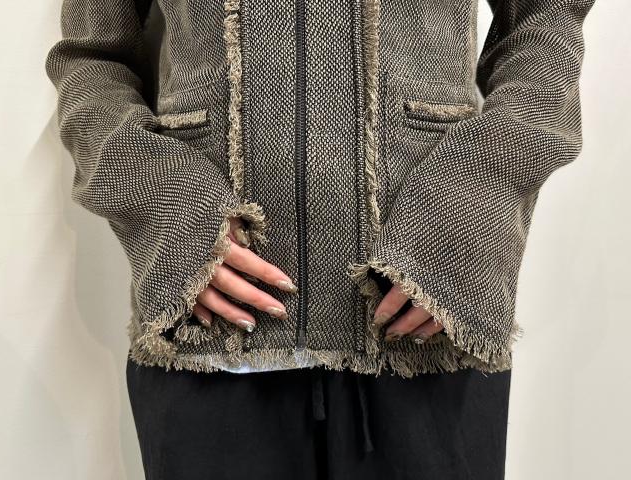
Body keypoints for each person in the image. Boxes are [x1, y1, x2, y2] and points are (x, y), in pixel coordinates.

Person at [45, 0, 595, 478]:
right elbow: (92, 61)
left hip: (427, 308)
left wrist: (473, 194)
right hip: (207, 331)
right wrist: (169, 204)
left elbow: (546, 21)